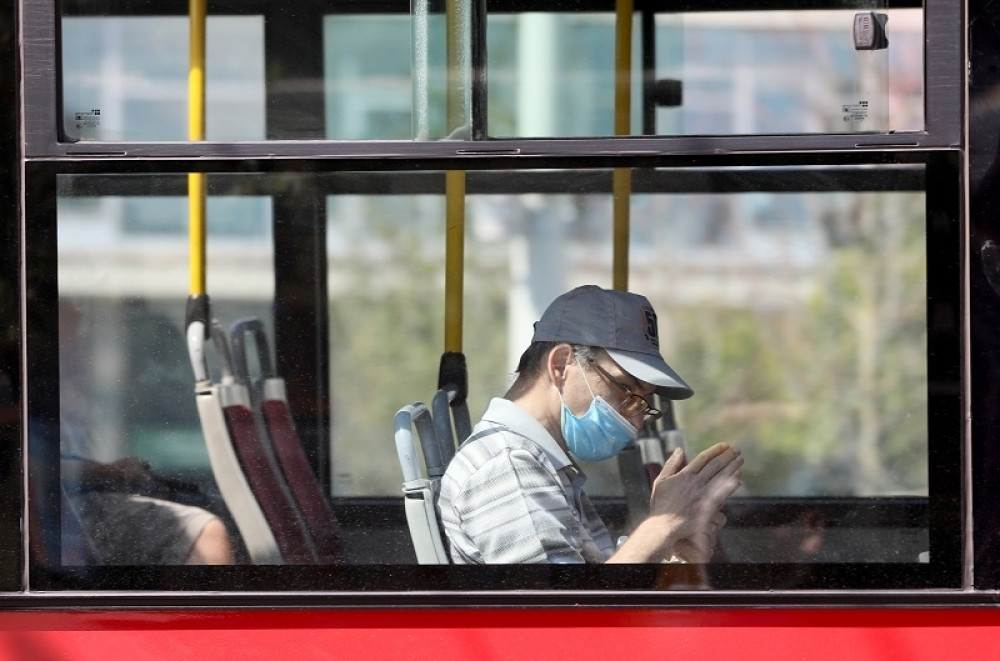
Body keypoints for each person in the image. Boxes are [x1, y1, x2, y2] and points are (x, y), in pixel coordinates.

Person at [438, 285, 743, 564]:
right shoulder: (508, 467)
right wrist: (662, 525)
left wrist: (673, 550)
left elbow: (587, 587)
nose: (636, 420)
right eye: (625, 389)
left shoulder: (540, 463)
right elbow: (560, 611)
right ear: (560, 365)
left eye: (643, 402)